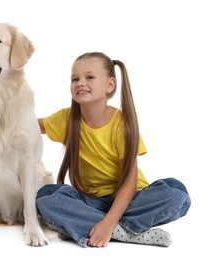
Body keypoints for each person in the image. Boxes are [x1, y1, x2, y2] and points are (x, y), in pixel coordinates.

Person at [36, 52, 191, 248]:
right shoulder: (65, 119)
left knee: (177, 193)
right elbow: (31, 126)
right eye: (75, 79)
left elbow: (129, 183)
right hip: (92, 201)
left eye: (89, 77)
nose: (80, 83)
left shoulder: (121, 125)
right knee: (46, 197)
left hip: (132, 199)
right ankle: (126, 233)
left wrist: (107, 223)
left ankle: (84, 225)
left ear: (110, 85)